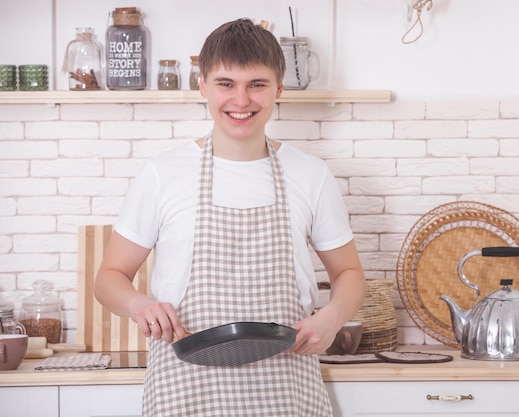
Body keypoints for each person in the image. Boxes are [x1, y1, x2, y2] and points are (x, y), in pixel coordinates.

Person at [94, 18, 366, 416]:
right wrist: (138, 304)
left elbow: (350, 274)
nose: (241, 100)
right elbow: (108, 278)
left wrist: (333, 316)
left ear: (278, 89)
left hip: (284, 389)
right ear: (202, 85)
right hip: (184, 388)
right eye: (226, 84)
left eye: (256, 84)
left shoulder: (310, 174)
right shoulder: (162, 174)